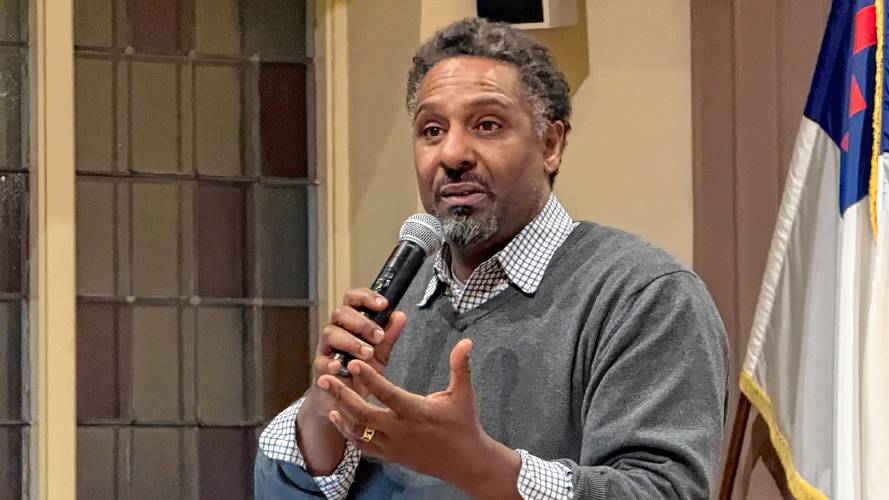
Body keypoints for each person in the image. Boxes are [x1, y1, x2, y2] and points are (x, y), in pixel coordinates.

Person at [255, 17, 728, 499]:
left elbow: (664, 491)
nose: (453, 153)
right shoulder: (393, 307)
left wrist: (482, 467)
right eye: (432, 130)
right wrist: (326, 409)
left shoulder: (644, 295)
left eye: (486, 125)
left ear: (550, 145)